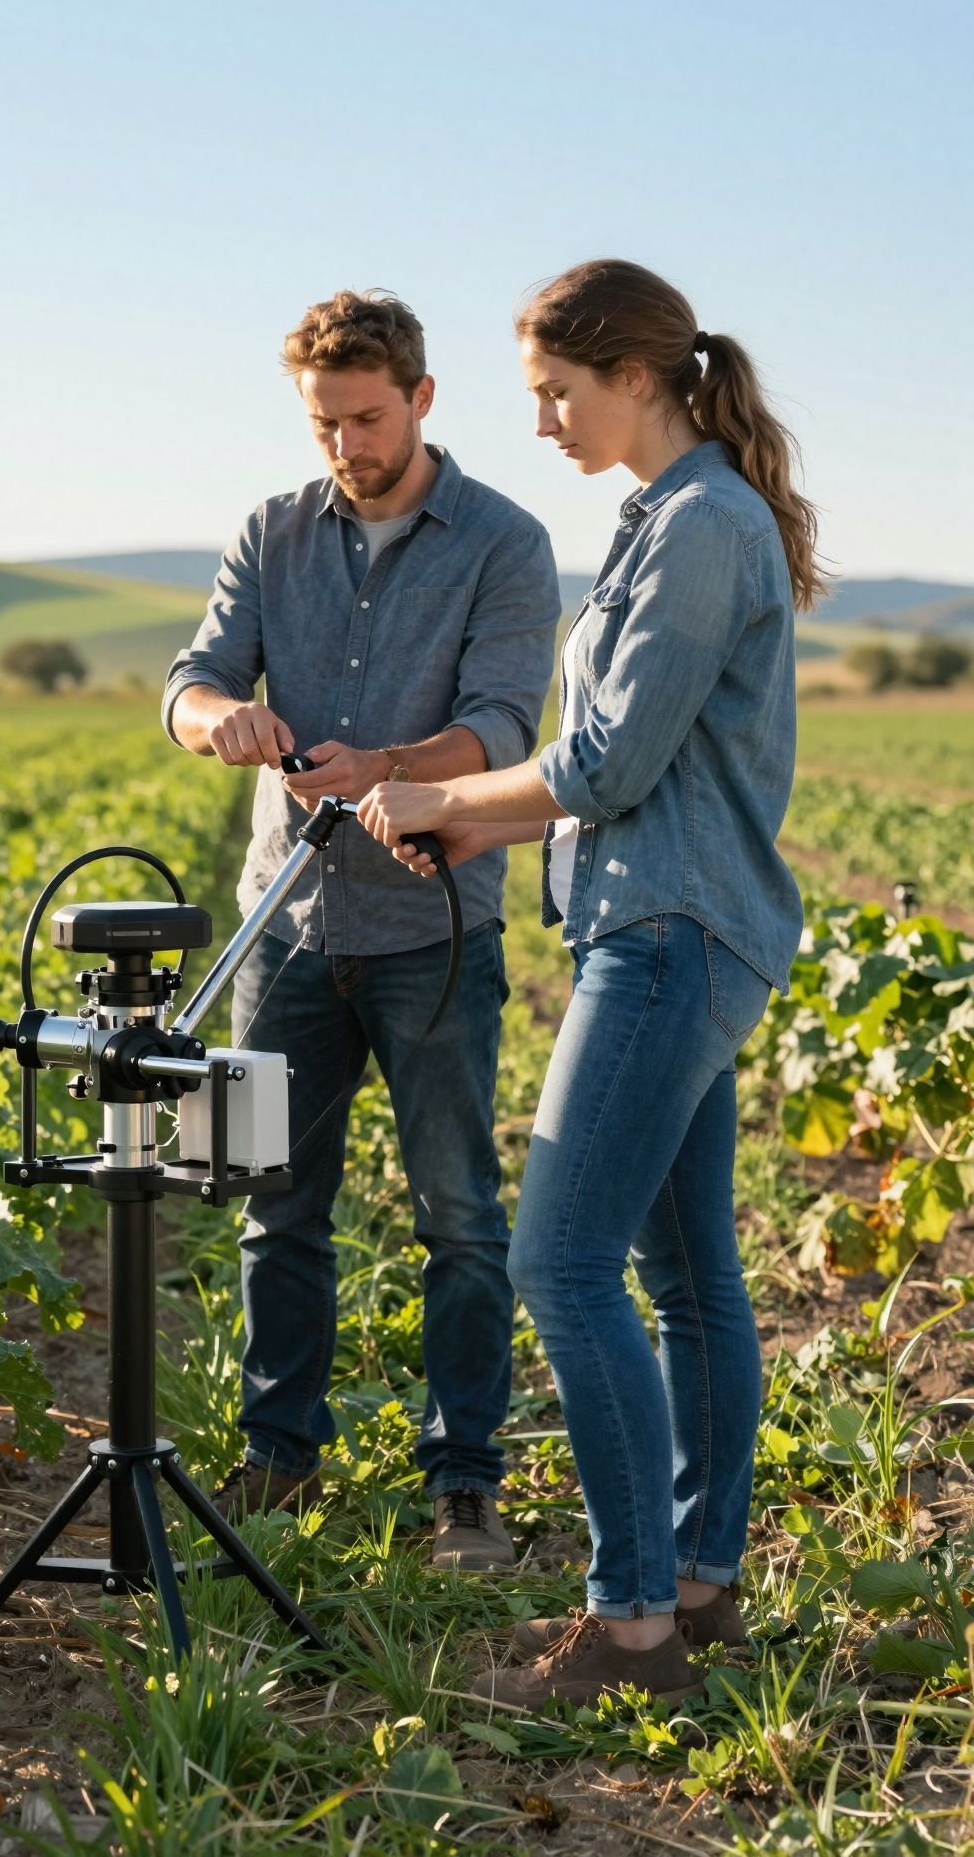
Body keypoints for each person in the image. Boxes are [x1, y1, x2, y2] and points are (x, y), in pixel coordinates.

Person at [358, 258, 822, 1704]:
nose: (544, 421)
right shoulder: (669, 516)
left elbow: (610, 762)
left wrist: (449, 801)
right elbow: (625, 769)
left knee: (560, 1262)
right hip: (677, 922)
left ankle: (630, 1629)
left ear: (634, 374)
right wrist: (473, 823)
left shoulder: (702, 527)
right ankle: (698, 1589)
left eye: (558, 391)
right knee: (684, 1277)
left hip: (669, 934)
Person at [163, 289, 560, 1570]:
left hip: (432, 931)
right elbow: (189, 681)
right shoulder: (269, 531)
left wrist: (382, 764)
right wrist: (220, 718)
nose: (346, 445)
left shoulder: (506, 542)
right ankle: (276, 1460)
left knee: (459, 1215)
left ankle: (465, 1485)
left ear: (424, 399)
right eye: (324, 423)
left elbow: (502, 727)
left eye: (368, 418)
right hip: (280, 929)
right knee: (270, 1205)